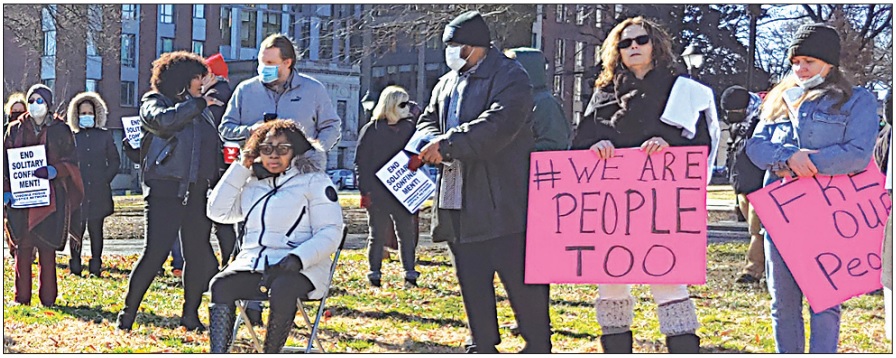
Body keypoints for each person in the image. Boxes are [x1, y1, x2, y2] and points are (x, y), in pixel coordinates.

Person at [572, 16, 718, 353]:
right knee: (611, 283)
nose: (633, 47)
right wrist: (595, 148)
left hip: (662, 203)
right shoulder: (603, 92)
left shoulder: (680, 89)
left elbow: (701, 144)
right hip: (612, 206)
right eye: (625, 43)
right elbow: (580, 143)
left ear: (655, 45)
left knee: (667, 280)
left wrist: (670, 147)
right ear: (617, 51)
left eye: (640, 40)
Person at [416, 11, 551, 353]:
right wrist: (431, 142)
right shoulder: (446, 82)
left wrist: (447, 145)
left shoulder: (511, 76)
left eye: (456, 45)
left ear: (477, 46)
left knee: (521, 281)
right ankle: (483, 341)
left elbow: (500, 124)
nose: (451, 52)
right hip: (457, 198)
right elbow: (426, 120)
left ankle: (537, 343)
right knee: (471, 277)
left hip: (504, 199)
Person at [745, 23, 880, 353]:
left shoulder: (856, 100)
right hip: (781, 214)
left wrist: (812, 162)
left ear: (830, 64)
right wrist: (787, 157)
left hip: (828, 213)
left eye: (809, 61)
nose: (800, 68)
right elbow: (755, 146)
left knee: (824, 302)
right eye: (796, 61)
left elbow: (859, 154)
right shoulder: (778, 100)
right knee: (782, 302)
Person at [206, 119, 343, 353]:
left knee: (283, 287)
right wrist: (241, 167)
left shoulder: (314, 181)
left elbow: (331, 231)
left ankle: (272, 352)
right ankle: (219, 352)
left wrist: (299, 258)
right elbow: (218, 212)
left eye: (282, 149)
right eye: (266, 149)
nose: (274, 156)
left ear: (296, 151)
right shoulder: (251, 183)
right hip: (254, 264)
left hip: (302, 268)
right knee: (220, 285)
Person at [117, 51, 225, 332]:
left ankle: (190, 315)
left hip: (197, 190)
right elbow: (163, 121)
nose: (203, 83)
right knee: (155, 253)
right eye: (199, 78)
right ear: (183, 80)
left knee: (197, 253)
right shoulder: (154, 102)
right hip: (165, 189)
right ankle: (127, 314)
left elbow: (209, 149)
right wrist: (198, 104)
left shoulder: (201, 109)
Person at [3, 84, 84, 306]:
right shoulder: (14, 130)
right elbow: (5, 164)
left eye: (40, 101)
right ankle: (22, 298)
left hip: (50, 199)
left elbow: (72, 161)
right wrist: (6, 191)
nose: (35, 105)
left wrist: (55, 171)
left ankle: (48, 299)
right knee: (22, 249)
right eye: (32, 100)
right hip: (21, 200)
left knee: (47, 251)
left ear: (48, 104)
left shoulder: (61, 130)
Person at [219, 33, 341, 169]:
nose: (262, 68)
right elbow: (225, 129)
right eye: (261, 62)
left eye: (270, 63)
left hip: (300, 173)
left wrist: (315, 150)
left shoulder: (313, 90)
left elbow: (332, 126)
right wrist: (250, 131)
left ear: (287, 62)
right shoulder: (245, 90)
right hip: (256, 173)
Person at [355, 85, 421, 288]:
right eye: (402, 103)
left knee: (406, 234)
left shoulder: (411, 128)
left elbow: (419, 152)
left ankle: (410, 274)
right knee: (376, 235)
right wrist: (364, 191)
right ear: (391, 105)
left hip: (403, 191)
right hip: (378, 192)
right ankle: (374, 274)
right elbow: (361, 162)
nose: (407, 107)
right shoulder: (372, 130)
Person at [66, 92, 120, 277]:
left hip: (99, 190)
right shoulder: (72, 136)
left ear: (97, 114)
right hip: (77, 191)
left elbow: (114, 161)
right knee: (76, 230)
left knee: (96, 229)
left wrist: (105, 179)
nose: (86, 116)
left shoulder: (104, 136)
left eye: (90, 112)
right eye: (83, 113)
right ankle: (75, 264)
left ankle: (96, 265)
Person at [720, 85, 767, 284]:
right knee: (754, 230)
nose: (732, 116)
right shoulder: (738, 126)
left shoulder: (763, 119)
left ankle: (752, 271)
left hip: (759, 184)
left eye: (735, 112)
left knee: (758, 231)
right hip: (742, 185)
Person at [205, 53, 238, 266]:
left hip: (216, 165)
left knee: (220, 217)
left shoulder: (214, 99)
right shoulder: (232, 95)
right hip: (230, 163)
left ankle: (228, 259)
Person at [504, 47, 572, 151]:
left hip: (532, 165)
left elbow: (556, 144)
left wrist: (516, 151)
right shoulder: (512, 99)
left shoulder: (545, 103)